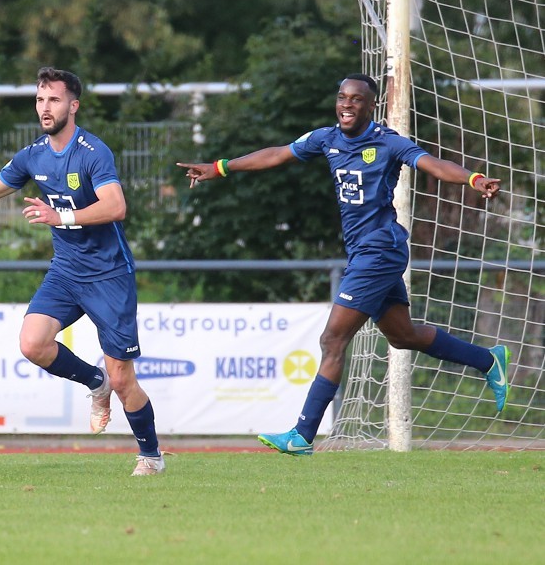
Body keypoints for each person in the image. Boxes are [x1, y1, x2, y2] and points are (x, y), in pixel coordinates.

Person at [178, 73, 510, 456]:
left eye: (356, 100)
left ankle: (302, 435)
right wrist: (220, 167)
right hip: (366, 252)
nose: (347, 105)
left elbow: (432, 164)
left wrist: (473, 178)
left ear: (371, 106)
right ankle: (488, 360)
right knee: (402, 336)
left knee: (332, 339)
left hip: (379, 251)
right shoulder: (326, 138)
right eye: (342, 98)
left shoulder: (387, 143)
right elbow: (277, 154)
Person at [0, 67, 164, 476]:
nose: (45, 107)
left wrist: (62, 217)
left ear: (73, 106)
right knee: (32, 343)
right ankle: (96, 383)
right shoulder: (32, 155)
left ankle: (150, 455)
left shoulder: (93, 152)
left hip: (109, 275)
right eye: (40, 99)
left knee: (125, 378)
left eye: (54, 100)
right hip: (66, 272)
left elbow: (116, 206)